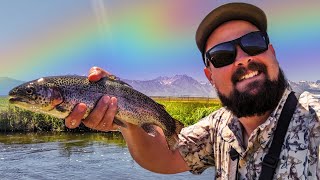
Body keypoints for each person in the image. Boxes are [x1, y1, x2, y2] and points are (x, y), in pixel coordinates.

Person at [64, 2, 320, 179]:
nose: (242, 59)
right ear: (209, 76)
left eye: (253, 43)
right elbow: (164, 158)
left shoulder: (315, 121)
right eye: (223, 55)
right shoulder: (219, 127)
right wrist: (124, 115)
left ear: (272, 52)